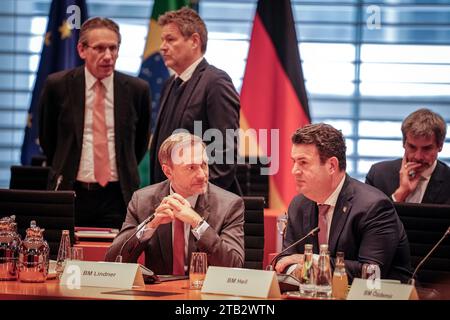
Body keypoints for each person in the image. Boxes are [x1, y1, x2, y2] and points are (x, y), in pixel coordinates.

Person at [38, 17, 151, 228]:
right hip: (71, 191)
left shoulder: (137, 90)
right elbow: (48, 139)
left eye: (113, 48)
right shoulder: (58, 85)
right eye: (99, 48)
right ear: (82, 50)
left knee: (116, 257)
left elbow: (140, 143)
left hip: (118, 195)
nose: (108, 56)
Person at [275, 123, 412, 283]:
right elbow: (285, 261)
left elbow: (371, 272)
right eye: (294, 162)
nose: (294, 171)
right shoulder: (299, 204)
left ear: (332, 166)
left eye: (303, 162)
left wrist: (310, 261)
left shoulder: (373, 207)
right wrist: (303, 266)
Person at [105, 133, 244, 275]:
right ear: (168, 171)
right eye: (191, 168)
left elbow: (234, 266)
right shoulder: (142, 201)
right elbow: (114, 261)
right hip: (160, 294)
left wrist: (198, 223)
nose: (202, 175)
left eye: (204, 165)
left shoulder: (229, 205)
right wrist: (149, 226)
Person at [149, 7, 241, 195]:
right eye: (162, 40)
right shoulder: (170, 84)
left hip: (202, 204)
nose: (162, 47)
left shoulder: (216, 82)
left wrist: (194, 196)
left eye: (170, 39)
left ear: (194, 41)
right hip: (169, 199)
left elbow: (224, 156)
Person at [366, 108, 450, 204]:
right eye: (412, 147)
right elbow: (368, 218)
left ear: (440, 146)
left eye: (427, 149)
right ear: (404, 143)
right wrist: (400, 194)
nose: (418, 157)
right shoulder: (378, 175)